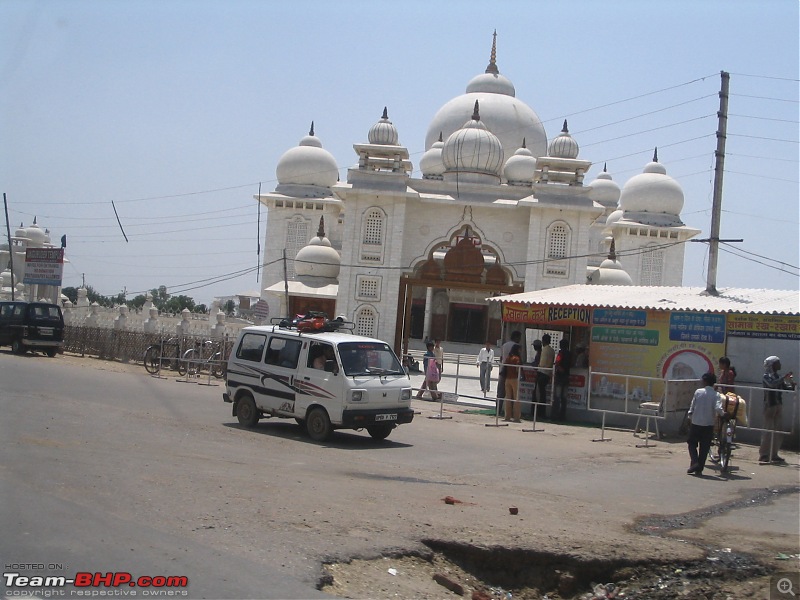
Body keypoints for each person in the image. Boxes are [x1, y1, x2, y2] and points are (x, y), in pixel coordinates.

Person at [686, 372, 724, 475]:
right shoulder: (716, 395)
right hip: (708, 424)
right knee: (704, 447)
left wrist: (690, 417)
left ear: (705, 381)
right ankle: (699, 467)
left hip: (696, 422)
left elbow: (692, 406)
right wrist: (723, 414)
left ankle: (695, 462)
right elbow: (718, 408)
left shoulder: (698, 392)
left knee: (692, 444)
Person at [759, 356, 795, 464]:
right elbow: (772, 384)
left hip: (778, 405)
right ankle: (764, 454)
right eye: (778, 363)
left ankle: (774, 454)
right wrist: (783, 377)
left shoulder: (778, 376)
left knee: (778, 432)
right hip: (770, 405)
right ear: (772, 365)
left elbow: (785, 388)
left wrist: (792, 385)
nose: (780, 365)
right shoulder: (766, 376)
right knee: (768, 431)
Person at [497, 330, 522, 408]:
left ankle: (498, 409)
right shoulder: (517, 346)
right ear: (516, 337)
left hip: (503, 370)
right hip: (512, 373)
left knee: (500, 392)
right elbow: (520, 361)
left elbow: (501, 358)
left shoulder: (504, 345)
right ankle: (511, 411)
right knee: (511, 393)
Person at [552, 338, 572, 421]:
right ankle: (562, 416)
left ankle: (555, 416)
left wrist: (558, 368)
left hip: (560, 377)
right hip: (567, 377)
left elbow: (557, 363)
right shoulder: (570, 353)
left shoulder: (560, 353)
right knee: (564, 398)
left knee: (557, 397)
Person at [537, 334, 555, 419]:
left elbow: (542, 363)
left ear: (543, 341)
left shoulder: (544, 350)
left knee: (541, 394)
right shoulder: (552, 350)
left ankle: (540, 412)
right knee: (543, 394)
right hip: (548, 373)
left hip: (542, 373)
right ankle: (542, 412)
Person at [503, 344, 522, 422]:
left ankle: (507, 416)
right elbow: (517, 369)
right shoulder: (516, 358)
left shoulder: (508, 358)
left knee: (508, 398)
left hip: (507, 378)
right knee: (516, 398)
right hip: (515, 379)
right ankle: (516, 417)